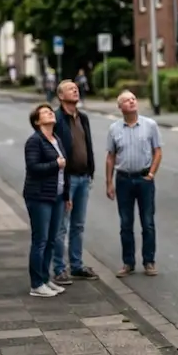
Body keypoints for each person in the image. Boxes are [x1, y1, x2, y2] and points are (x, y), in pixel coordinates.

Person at [105, 90, 162, 277]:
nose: (131, 102)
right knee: (126, 223)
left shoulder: (150, 125)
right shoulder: (114, 129)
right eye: (126, 100)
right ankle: (128, 262)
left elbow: (158, 151)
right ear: (120, 107)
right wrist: (109, 183)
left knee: (148, 222)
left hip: (144, 179)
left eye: (133, 99)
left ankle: (149, 261)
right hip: (123, 180)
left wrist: (152, 173)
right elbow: (110, 157)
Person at [50, 80, 99, 286]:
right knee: (62, 225)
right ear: (61, 96)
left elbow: (87, 144)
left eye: (76, 88)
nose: (76, 89)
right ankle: (60, 269)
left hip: (83, 177)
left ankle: (77, 265)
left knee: (78, 225)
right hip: (66, 179)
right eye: (70, 88)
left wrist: (91, 171)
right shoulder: (57, 118)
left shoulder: (83, 118)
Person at [23, 103, 69, 297]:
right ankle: (36, 284)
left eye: (50, 111)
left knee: (51, 240)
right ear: (36, 121)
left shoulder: (56, 139)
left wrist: (66, 195)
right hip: (39, 196)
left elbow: (64, 171)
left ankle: (45, 279)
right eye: (45, 112)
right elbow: (33, 167)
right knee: (40, 240)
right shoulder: (35, 141)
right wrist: (55, 164)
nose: (51, 112)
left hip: (57, 196)